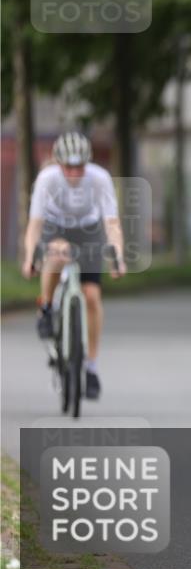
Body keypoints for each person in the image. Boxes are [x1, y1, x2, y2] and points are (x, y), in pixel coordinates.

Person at [21, 131, 126, 399]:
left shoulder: (99, 178)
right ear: (59, 164)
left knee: (92, 296)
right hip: (55, 227)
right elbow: (35, 225)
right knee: (57, 254)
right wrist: (30, 256)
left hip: (88, 230)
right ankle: (46, 307)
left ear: (87, 163)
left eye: (79, 167)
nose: (74, 173)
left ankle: (91, 368)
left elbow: (111, 223)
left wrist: (118, 256)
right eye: (68, 167)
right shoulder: (47, 179)